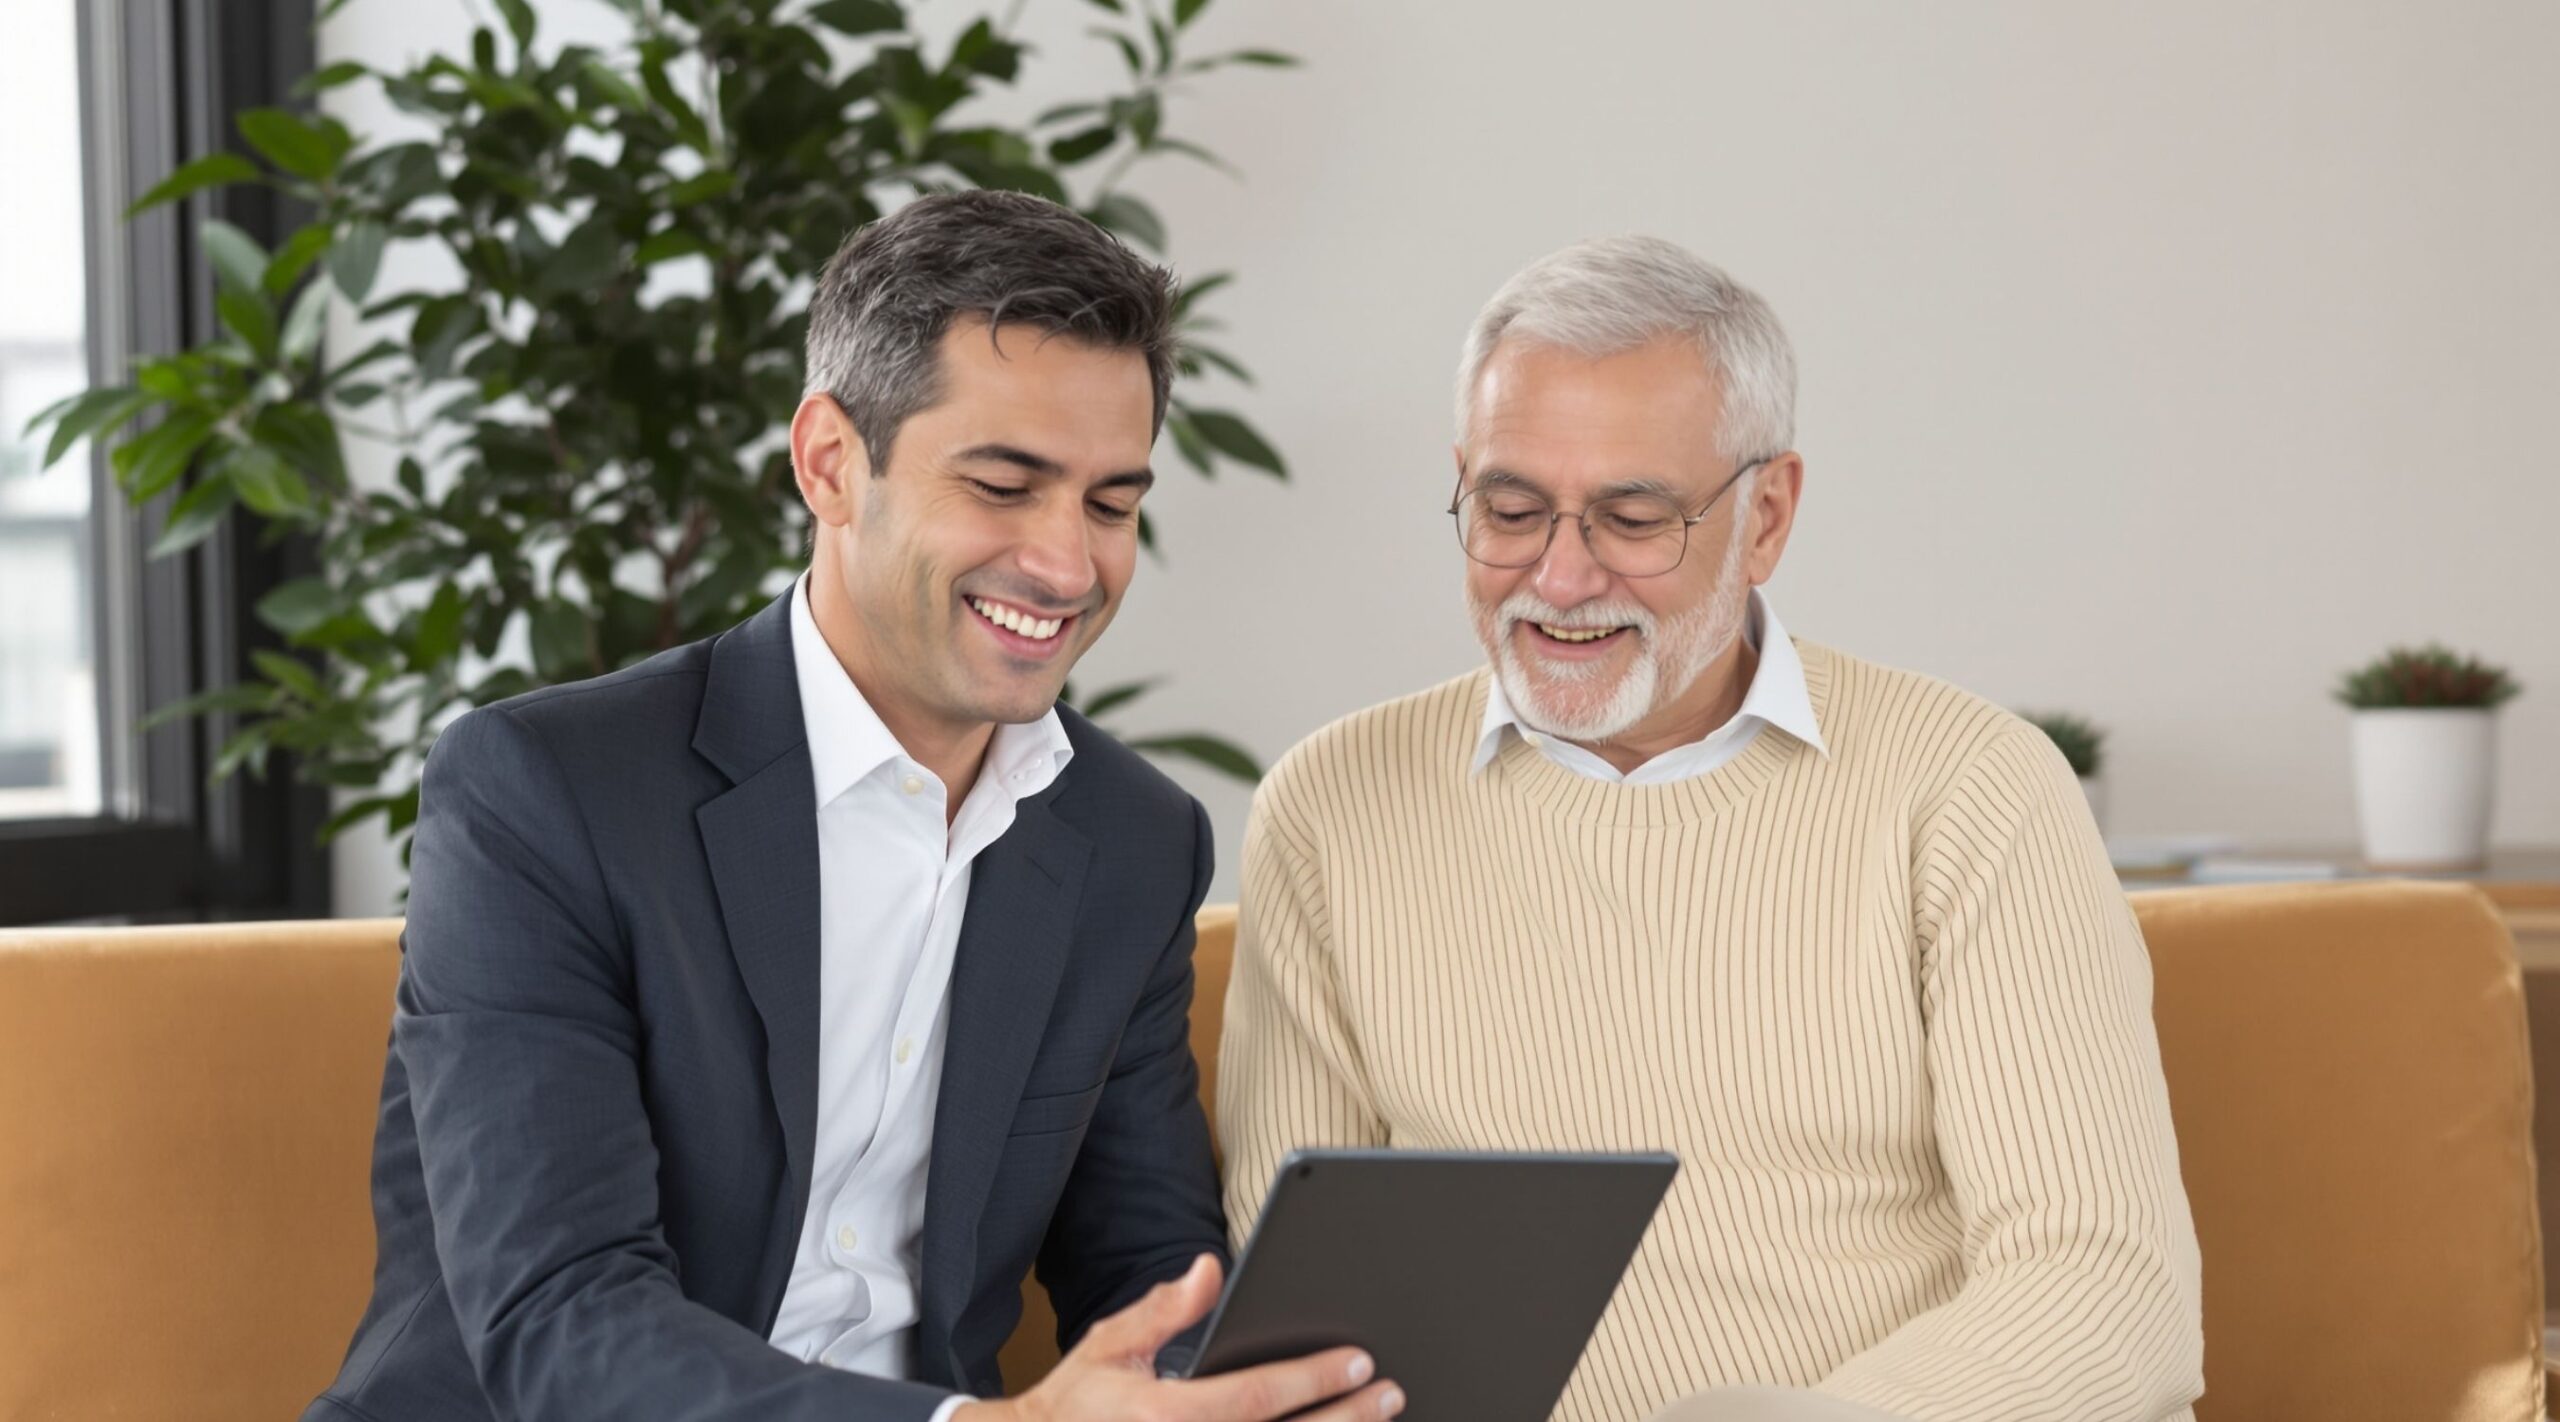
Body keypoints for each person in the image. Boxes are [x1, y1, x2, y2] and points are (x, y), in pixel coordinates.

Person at [306, 190, 1400, 1422]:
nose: (1066, 563)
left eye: (1109, 503)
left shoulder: (1130, 840)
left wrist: (1269, 1394)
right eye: (1002, 485)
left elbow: (1146, 1274)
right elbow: (562, 1319)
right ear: (830, 461)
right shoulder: (546, 794)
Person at [1218, 235, 2204, 1422]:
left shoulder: (1971, 787)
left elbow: (2105, 1286)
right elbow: (1305, 1323)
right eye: (1511, 508)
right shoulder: (1333, 805)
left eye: (1633, 518)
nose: (1561, 577)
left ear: (1768, 514)